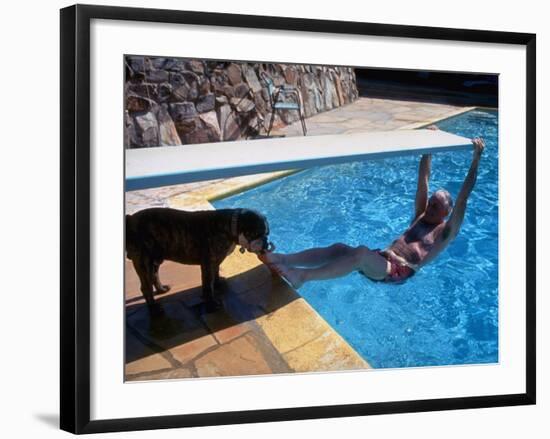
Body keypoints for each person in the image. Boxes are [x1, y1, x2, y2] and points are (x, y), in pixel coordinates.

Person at [260, 131, 485, 289]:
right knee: (340, 248)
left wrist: (475, 159)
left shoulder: (445, 232)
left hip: (397, 272)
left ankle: (302, 276)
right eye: (431, 201)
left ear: (446, 213)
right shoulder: (420, 216)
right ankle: (284, 259)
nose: (430, 205)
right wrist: (430, 146)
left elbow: (463, 198)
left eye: (436, 205)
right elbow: (423, 179)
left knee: (359, 254)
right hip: (381, 259)